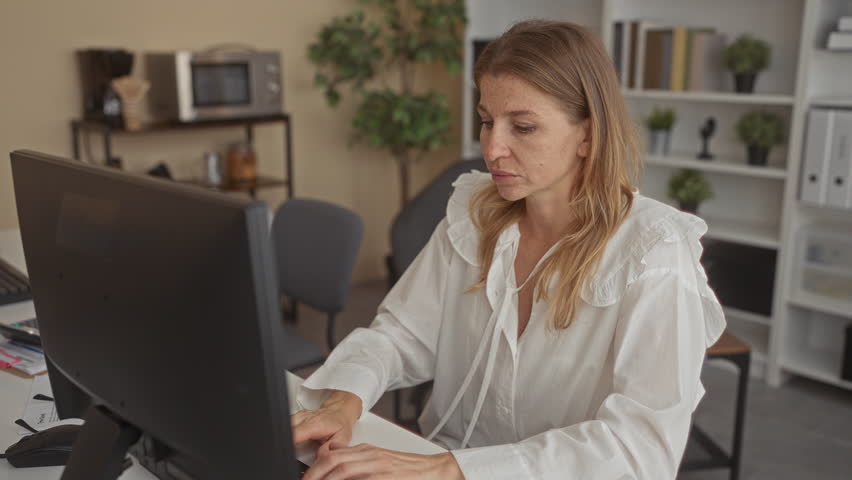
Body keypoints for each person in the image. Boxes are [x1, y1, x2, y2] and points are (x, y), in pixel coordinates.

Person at [290, 19, 725, 480]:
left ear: (588, 134)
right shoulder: (473, 216)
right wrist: (343, 399)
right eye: (486, 121)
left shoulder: (652, 253)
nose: (493, 148)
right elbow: (401, 335)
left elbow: (641, 448)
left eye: (523, 126)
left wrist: (450, 469)